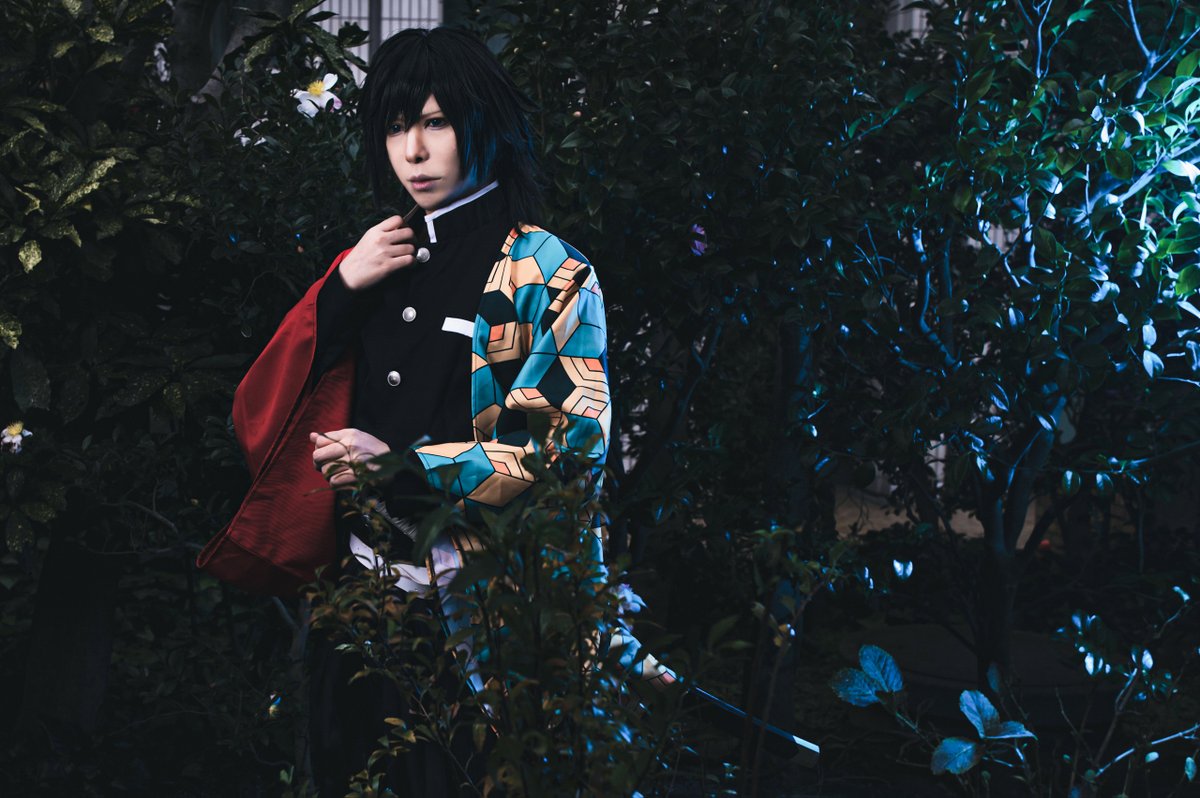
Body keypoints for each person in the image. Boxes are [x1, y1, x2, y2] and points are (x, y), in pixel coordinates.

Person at [196, 27, 611, 796]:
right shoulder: (375, 258)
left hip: (476, 622)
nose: (413, 151)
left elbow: (556, 456)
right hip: (354, 612)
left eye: (435, 122)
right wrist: (338, 290)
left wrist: (398, 469)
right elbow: (262, 412)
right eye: (394, 127)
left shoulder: (546, 270)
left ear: (483, 123)